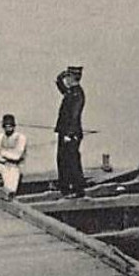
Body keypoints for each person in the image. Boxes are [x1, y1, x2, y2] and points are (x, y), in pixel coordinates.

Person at [55, 65, 87, 197]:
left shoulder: (77, 94)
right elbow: (60, 84)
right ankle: (65, 188)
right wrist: (61, 76)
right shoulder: (70, 92)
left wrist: (69, 134)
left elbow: (75, 115)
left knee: (71, 161)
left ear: (72, 78)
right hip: (64, 132)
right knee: (62, 159)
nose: (66, 80)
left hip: (70, 134)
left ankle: (77, 189)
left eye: (68, 77)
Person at [0, 114, 28, 196]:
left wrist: (3, 153)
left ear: (14, 126)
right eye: (6, 126)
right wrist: (3, 158)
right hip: (2, 164)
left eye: (10, 126)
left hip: (14, 167)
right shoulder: (1, 136)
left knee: (10, 189)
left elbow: (17, 156)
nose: (8, 128)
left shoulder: (20, 137)